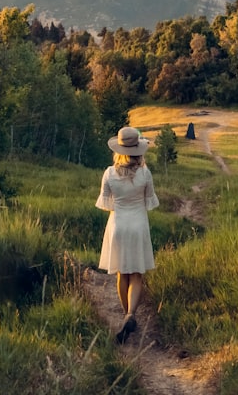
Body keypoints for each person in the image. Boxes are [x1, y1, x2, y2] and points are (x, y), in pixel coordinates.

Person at [95, 126, 160, 343]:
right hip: (138, 225)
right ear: (138, 150)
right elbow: (150, 202)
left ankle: (127, 316)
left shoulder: (109, 173)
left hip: (119, 226)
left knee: (122, 273)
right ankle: (131, 314)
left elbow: (105, 203)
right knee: (137, 274)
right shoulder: (145, 173)